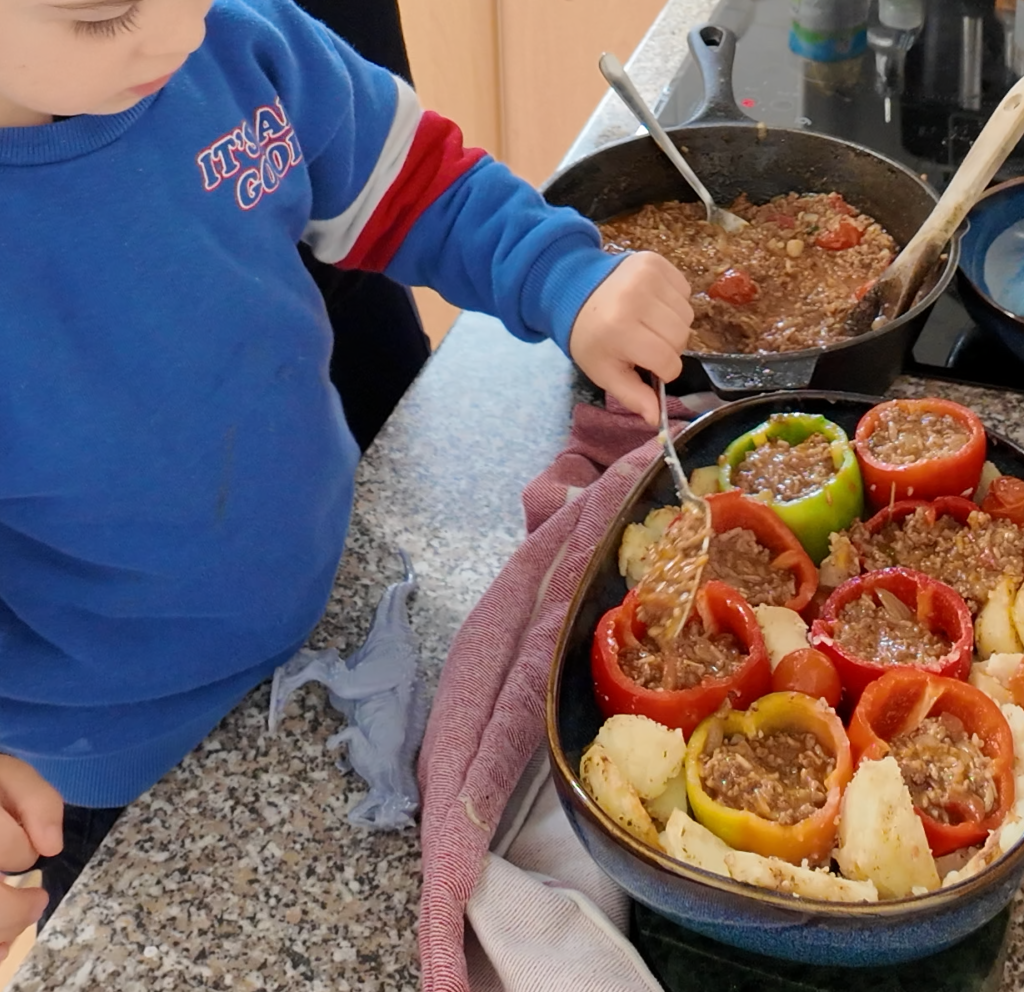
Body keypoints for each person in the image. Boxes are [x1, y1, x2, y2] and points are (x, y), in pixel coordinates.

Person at [0, 0, 693, 933]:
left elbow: (422, 188)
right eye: (109, 14)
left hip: (334, 601)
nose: (180, 33)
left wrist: (568, 279)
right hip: (105, 757)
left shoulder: (241, 47)